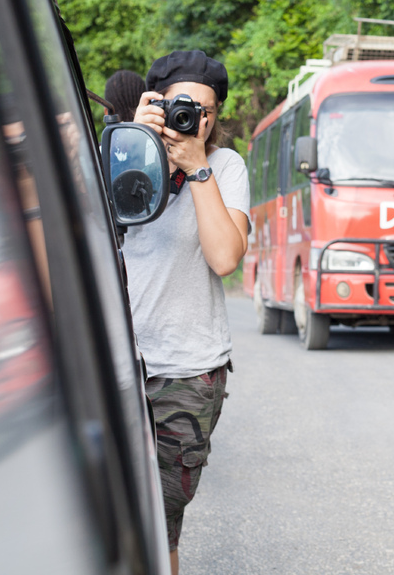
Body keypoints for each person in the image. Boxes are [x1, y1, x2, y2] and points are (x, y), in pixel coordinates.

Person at [121, 51, 250, 575]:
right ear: (154, 104)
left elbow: (224, 258)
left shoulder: (224, 166)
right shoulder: (120, 152)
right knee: (111, 507)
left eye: (206, 110)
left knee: (161, 519)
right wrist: (133, 139)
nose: (192, 119)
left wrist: (197, 167)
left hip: (188, 371)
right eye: (180, 106)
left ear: (215, 117)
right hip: (115, 366)